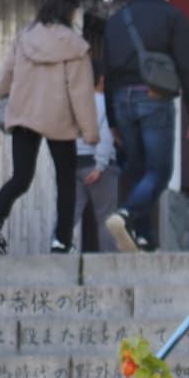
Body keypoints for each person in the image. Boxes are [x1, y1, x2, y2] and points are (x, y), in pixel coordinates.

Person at [0, 0, 99, 255]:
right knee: (66, 181)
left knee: (21, 177)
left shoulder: (25, 37)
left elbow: (3, 81)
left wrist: (5, 96)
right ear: (71, 11)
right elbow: (80, 93)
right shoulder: (76, 47)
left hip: (23, 115)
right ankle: (61, 242)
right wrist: (90, 132)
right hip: (59, 120)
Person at [101, 0, 189, 252]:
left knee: (136, 168)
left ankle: (144, 236)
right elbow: (187, 66)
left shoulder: (116, 20)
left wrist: (111, 119)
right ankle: (126, 214)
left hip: (122, 101)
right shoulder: (173, 17)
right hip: (154, 98)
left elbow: (107, 74)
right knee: (159, 171)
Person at [73, 57, 119, 250]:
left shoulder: (74, 103)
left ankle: (56, 250)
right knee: (106, 218)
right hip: (98, 165)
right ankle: (108, 265)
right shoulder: (105, 103)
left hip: (74, 164)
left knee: (69, 213)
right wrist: (100, 166)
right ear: (101, 79)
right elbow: (107, 136)